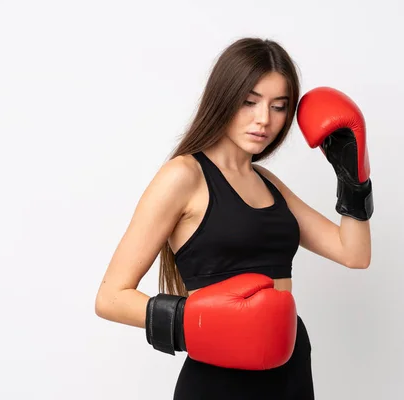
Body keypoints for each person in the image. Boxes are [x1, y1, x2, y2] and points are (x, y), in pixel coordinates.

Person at [94, 37, 373, 399]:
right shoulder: (184, 176)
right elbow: (110, 297)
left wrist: (352, 178)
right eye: (249, 102)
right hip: (220, 376)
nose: (264, 120)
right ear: (224, 98)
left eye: (278, 106)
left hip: (290, 365)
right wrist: (196, 322)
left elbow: (354, 253)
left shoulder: (268, 183)